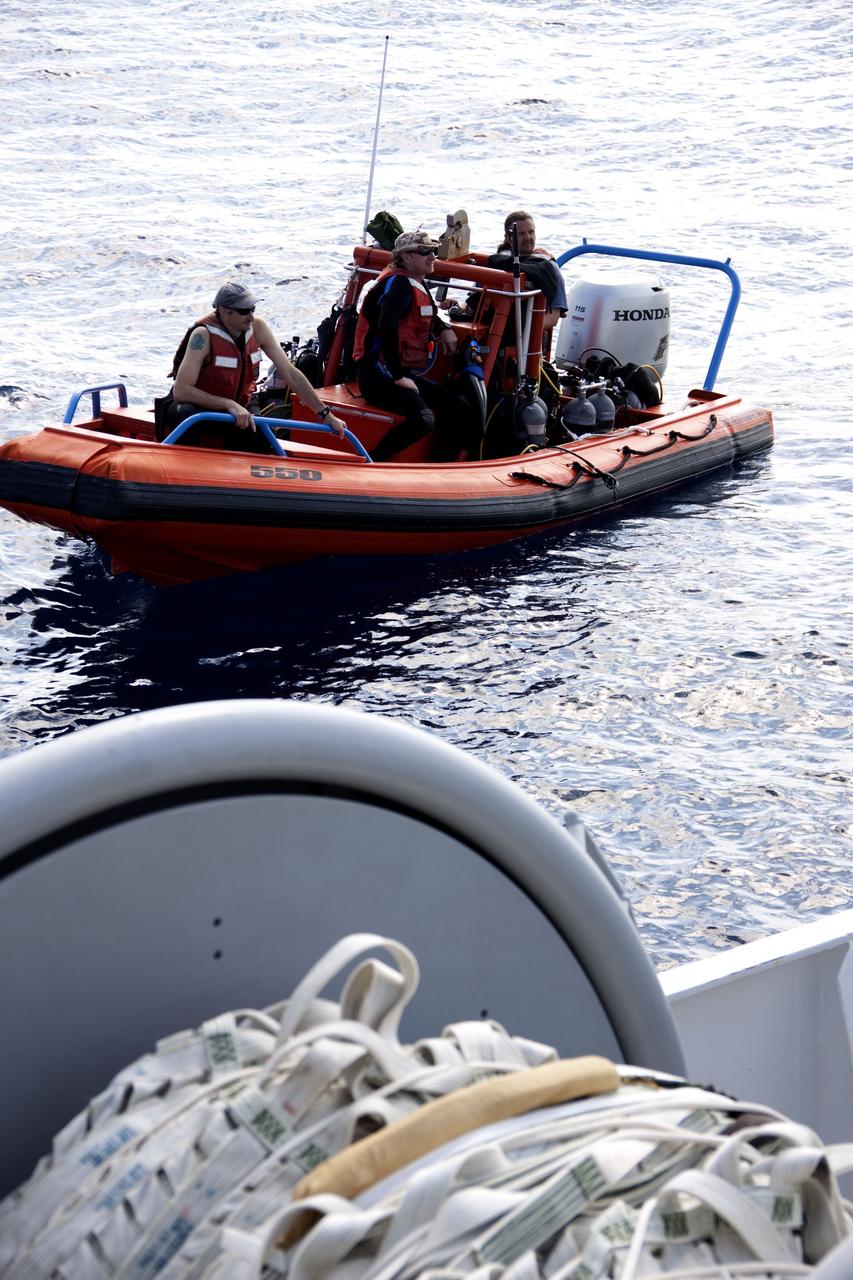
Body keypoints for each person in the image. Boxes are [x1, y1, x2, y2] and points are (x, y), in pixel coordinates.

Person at [161, 282, 346, 450]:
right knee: (187, 413)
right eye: (244, 311)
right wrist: (228, 404)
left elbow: (290, 373)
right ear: (225, 312)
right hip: (201, 408)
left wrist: (326, 414)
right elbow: (181, 391)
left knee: (265, 439)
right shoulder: (202, 336)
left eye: (253, 309)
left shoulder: (257, 328)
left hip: (240, 408)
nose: (251, 316)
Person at [353, 230, 476, 462]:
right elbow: (386, 327)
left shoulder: (414, 282)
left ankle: (440, 466)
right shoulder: (397, 284)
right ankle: (372, 461)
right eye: (425, 252)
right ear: (407, 257)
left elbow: (427, 312)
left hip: (396, 373)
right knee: (423, 420)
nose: (432, 257)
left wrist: (443, 328)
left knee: (458, 407)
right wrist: (399, 375)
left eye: (434, 251)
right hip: (378, 376)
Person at [487, 211, 568, 330]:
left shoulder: (549, 267)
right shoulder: (497, 262)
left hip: (530, 337)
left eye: (531, 232)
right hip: (492, 327)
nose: (528, 237)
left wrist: (523, 334)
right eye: (521, 234)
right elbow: (476, 296)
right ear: (508, 238)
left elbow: (553, 316)